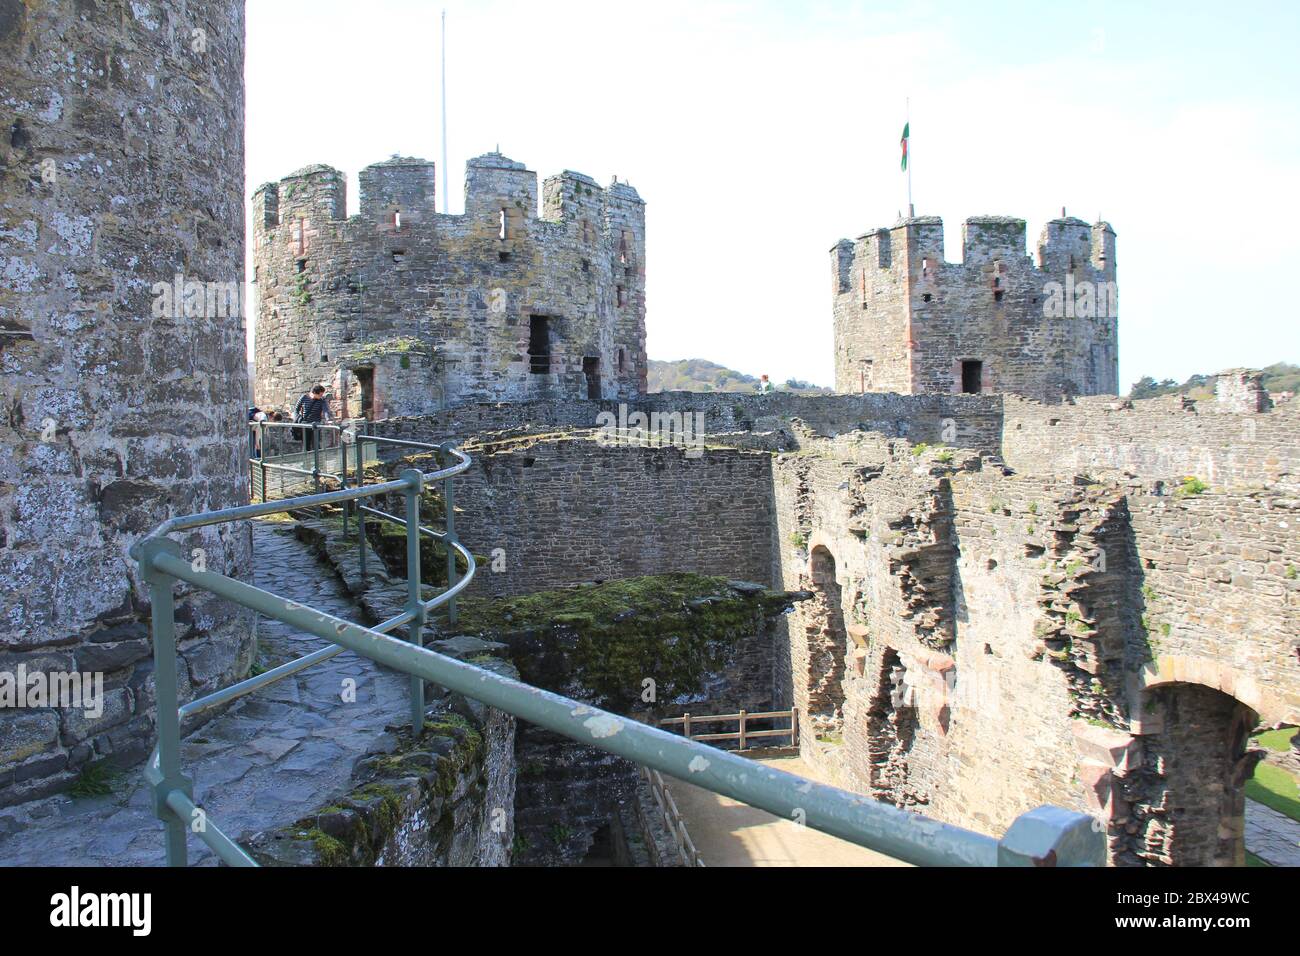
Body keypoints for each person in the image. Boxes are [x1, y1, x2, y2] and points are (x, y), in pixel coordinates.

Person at [294, 384, 332, 450]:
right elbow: (296, 409)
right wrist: (297, 419)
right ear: (314, 393)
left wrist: (328, 419)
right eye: (320, 395)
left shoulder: (322, 400)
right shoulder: (304, 397)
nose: (321, 396)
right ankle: (307, 459)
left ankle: (318, 459)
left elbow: (326, 410)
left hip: (316, 425)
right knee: (306, 445)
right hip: (305, 424)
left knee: (316, 445)